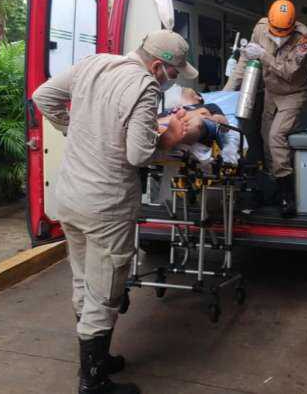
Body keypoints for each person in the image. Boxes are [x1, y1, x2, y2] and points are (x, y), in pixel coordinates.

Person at [32, 30, 198, 394]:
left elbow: (43, 96)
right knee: (105, 290)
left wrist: (75, 129)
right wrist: (169, 137)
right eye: (172, 73)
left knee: (82, 279)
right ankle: (93, 382)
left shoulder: (95, 63)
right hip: (105, 205)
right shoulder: (145, 87)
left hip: (71, 197)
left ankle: (98, 357)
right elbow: (138, 155)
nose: (170, 80)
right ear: (158, 66)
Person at [224, 0, 307, 217]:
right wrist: (226, 92)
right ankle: (270, 187)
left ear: (292, 26)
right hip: (272, 93)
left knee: (276, 136)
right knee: (265, 138)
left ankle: (287, 196)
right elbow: (245, 62)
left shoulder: (304, 37)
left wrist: (263, 55)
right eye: (276, 30)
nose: (279, 35)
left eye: (284, 31)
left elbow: (289, 72)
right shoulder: (261, 27)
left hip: (294, 93)